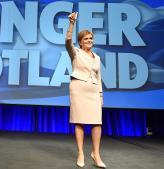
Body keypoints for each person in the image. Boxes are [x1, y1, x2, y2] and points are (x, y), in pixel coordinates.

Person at [65, 12, 106, 168]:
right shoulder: (75, 53)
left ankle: (96, 154)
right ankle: (81, 153)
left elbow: (99, 76)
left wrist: (101, 95)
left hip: (93, 91)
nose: (89, 41)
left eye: (91, 38)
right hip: (78, 90)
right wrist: (72, 23)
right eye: (86, 39)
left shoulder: (97, 57)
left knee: (97, 122)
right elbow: (68, 41)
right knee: (80, 121)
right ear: (80, 42)